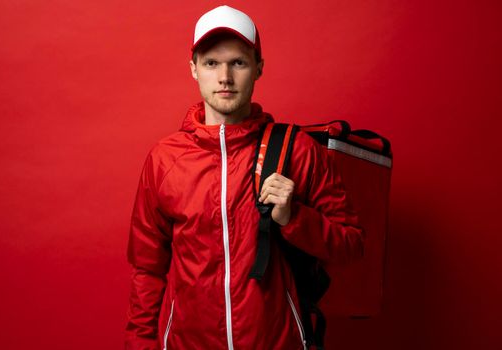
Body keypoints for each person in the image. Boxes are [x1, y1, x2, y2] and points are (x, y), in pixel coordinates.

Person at [125, 5, 363, 350]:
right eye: (211, 63)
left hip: (276, 341)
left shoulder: (296, 150)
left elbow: (352, 245)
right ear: (194, 69)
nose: (225, 77)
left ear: (258, 68)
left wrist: (294, 217)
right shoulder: (164, 159)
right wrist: (139, 344)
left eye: (238, 62)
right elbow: (146, 269)